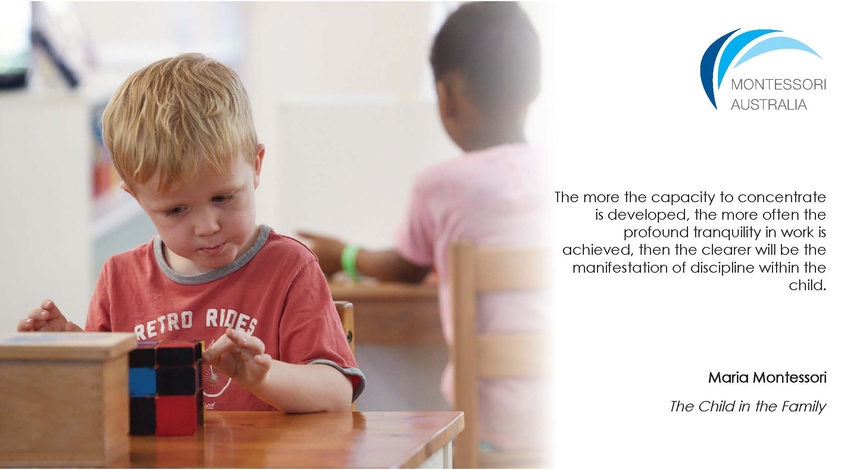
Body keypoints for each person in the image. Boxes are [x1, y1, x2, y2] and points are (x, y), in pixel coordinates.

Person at [17, 53, 365, 413]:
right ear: (137, 198)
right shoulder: (119, 279)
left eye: (223, 197)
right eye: (176, 210)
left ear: (256, 166)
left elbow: (336, 394)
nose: (207, 226)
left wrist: (264, 378)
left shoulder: (290, 268)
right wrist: (72, 350)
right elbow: (103, 402)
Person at [299, 2, 549, 451]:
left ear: (448, 94)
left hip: (495, 430)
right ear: (534, 85)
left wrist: (344, 255)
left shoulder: (442, 186)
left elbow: (408, 266)